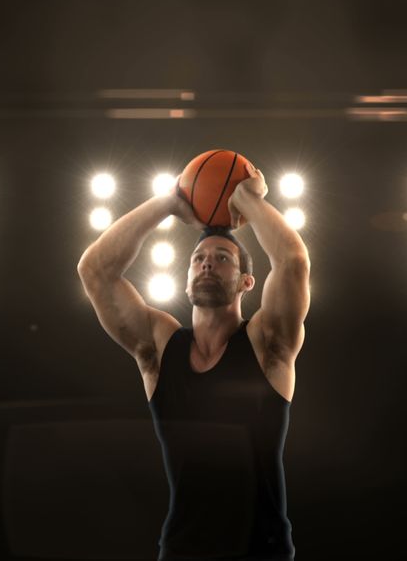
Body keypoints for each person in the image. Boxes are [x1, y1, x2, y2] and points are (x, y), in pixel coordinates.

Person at [77, 162, 310, 560]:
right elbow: (95, 270)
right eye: (199, 258)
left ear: (245, 282)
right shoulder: (159, 347)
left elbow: (292, 262)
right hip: (183, 550)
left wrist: (247, 201)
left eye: (222, 259)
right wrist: (167, 203)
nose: (206, 263)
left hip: (261, 551)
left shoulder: (266, 343)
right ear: (186, 279)